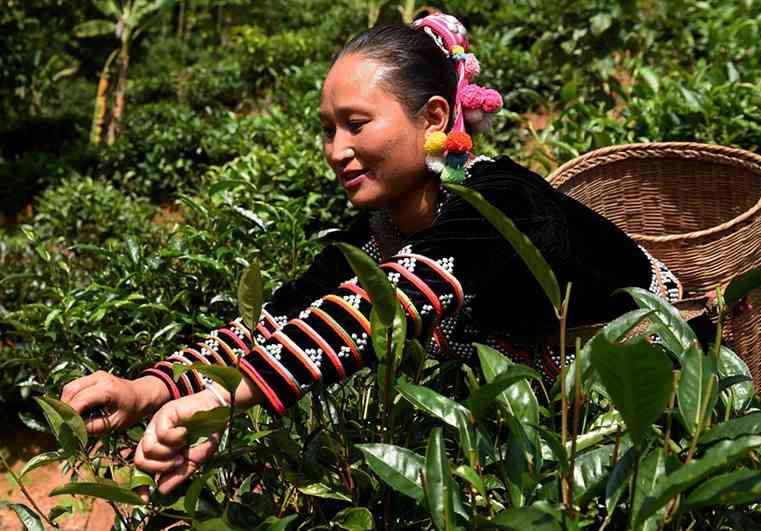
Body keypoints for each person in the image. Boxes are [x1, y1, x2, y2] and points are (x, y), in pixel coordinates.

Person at [60, 13, 681, 494]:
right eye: (329, 129)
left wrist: (226, 399)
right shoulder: (373, 238)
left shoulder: (502, 201)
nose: (336, 149)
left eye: (357, 124)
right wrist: (148, 389)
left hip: (660, 412)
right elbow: (277, 324)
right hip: (552, 440)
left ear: (434, 116)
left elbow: (393, 299)